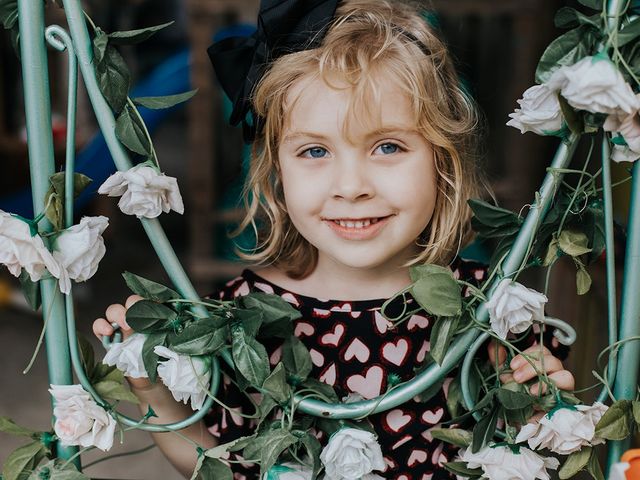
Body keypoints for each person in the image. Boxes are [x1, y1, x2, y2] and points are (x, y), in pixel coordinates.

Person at [93, 0, 575, 478]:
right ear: (276, 169)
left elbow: (524, 453)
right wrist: (153, 392)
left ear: (441, 161)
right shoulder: (241, 318)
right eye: (315, 150)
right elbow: (218, 465)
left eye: (388, 146)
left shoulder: (492, 310)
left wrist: (538, 411)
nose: (350, 186)